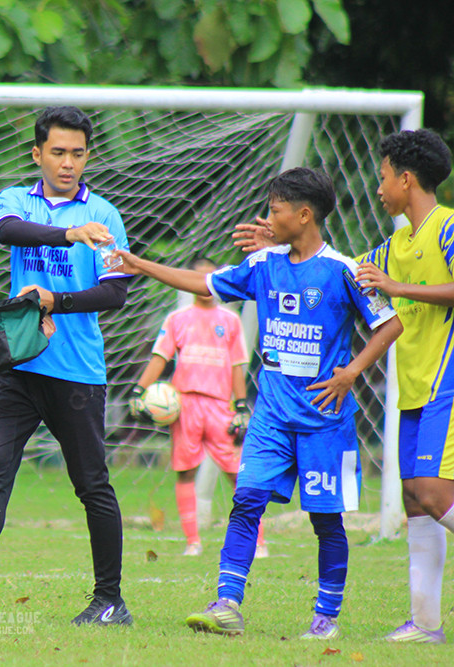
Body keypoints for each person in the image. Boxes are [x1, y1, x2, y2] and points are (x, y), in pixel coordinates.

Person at [119, 167, 403, 638]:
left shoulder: (344, 270)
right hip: (271, 415)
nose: (268, 219)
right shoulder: (262, 265)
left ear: (304, 214)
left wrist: (351, 373)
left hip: (324, 420)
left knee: (326, 521)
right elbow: (204, 286)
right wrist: (142, 264)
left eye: (275, 210)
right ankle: (227, 603)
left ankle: (326, 615)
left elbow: (389, 325)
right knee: (246, 499)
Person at [0, 106, 134, 626]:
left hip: (77, 373)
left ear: (87, 156)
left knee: (91, 485)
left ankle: (110, 601)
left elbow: (115, 293)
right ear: (38, 154)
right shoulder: (16, 200)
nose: (68, 163)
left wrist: (56, 300)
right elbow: (8, 231)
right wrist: (68, 235)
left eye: (77, 153)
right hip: (19, 365)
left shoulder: (107, 214)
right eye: (57, 152)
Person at [236, 130, 454, 643]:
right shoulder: (394, 244)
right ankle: (426, 623)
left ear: (406, 179)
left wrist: (399, 288)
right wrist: (284, 241)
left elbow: (398, 290)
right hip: (414, 385)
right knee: (415, 501)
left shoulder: (447, 229)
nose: (378, 188)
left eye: (382, 178)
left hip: (447, 380)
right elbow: (341, 271)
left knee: (431, 491)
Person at [128, 257, 266, 558]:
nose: (205, 286)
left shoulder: (229, 320)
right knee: (185, 472)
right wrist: (139, 390)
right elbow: (160, 357)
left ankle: (258, 542)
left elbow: (237, 365)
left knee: (237, 474)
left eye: (210, 279)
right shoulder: (177, 318)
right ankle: (193, 541)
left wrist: (241, 406)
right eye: (198, 278)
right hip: (185, 404)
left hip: (220, 406)